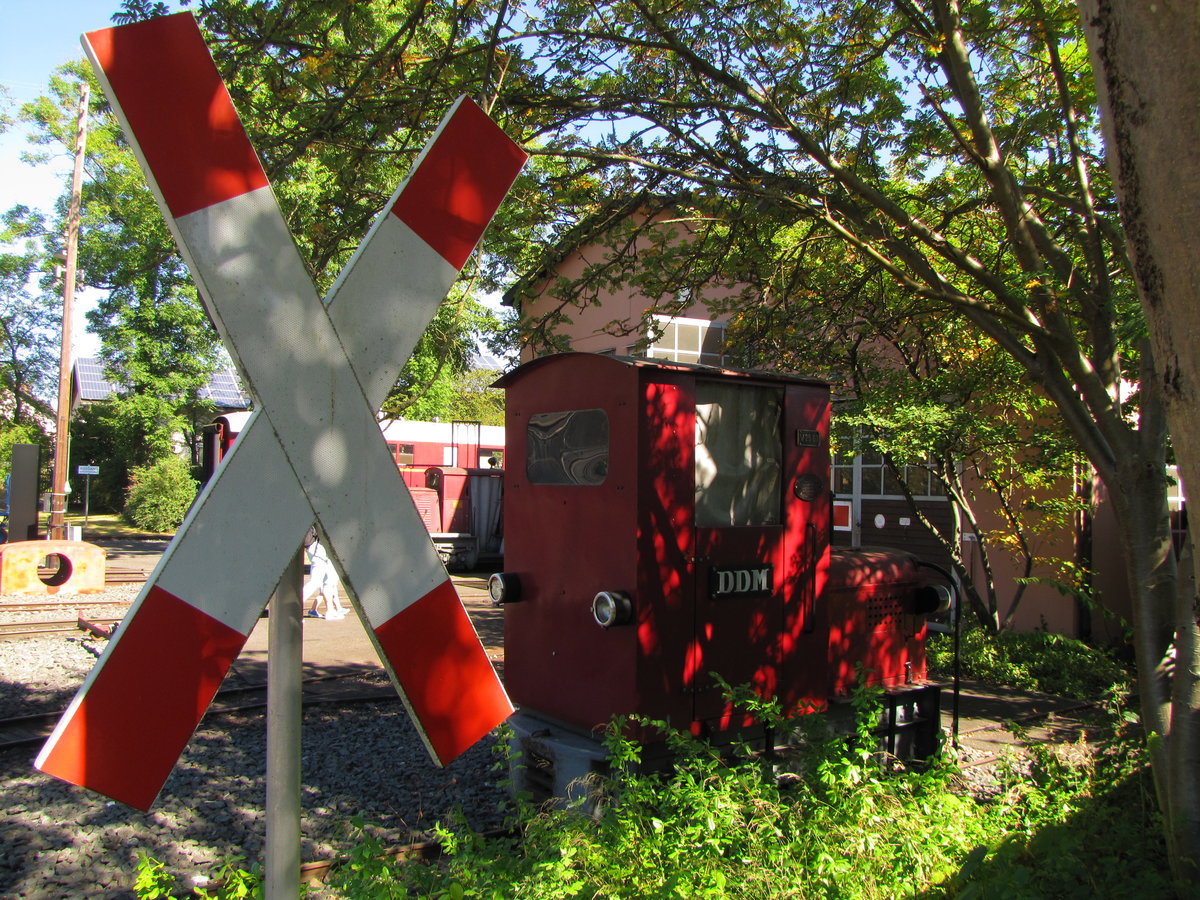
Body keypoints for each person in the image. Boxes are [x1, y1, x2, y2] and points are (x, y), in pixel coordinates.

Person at [303, 528, 347, 619]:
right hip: (316, 548)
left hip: (318, 548)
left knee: (329, 579)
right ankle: (295, 605)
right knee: (316, 582)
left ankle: (330, 611)